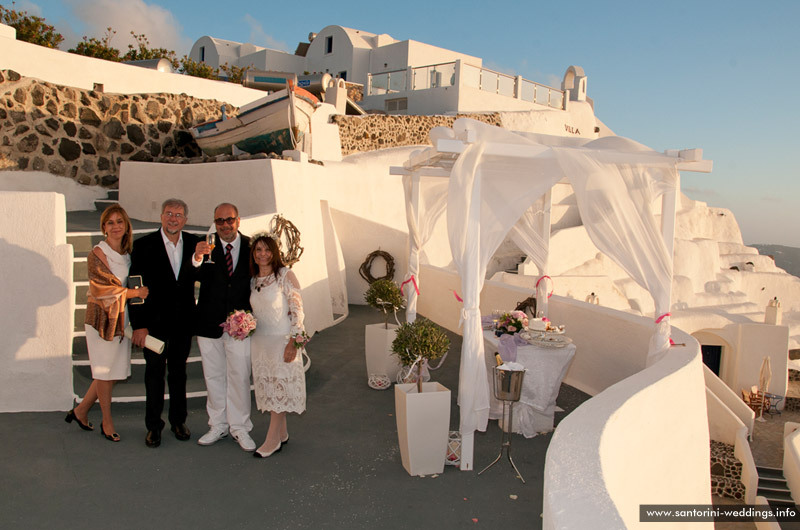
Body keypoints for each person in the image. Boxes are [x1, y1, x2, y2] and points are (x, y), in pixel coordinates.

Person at [66, 204, 149, 442]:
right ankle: (107, 421)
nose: (115, 226)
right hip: (102, 322)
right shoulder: (98, 253)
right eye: (110, 222)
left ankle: (80, 411)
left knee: (109, 373)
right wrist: (135, 294)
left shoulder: (126, 254)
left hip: (122, 321)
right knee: (104, 371)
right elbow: (100, 289)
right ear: (103, 227)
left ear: (126, 226)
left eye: (119, 222)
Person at [129, 198, 199, 448]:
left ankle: (178, 421)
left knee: (179, 373)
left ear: (185, 219)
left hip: (183, 323)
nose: (173, 219)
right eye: (169, 213)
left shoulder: (194, 244)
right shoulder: (143, 246)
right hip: (153, 324)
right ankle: (153, 426)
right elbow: (135, 286)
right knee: (154, 375)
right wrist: (138, 325)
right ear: (161, 216)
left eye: (178, 215)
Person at [192, 203, 255, 451]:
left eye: (229, 220)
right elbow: (192, 274)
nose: (225, 225)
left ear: (238, 221)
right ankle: (217, 424)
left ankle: (240, 427)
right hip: (208, 323)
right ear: (214, 222)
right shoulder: (205, 246)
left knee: (239, 376)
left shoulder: (252, 247)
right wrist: (197, 258)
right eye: (219, 220)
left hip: (240, 326)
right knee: (214, 376)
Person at [248, 234, 307, 458]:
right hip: (260, 343)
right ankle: (281, 432)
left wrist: (294, 342)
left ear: (274, 252)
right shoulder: (253, 280)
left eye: (267, 250)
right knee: (270, 387)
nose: (262, 254)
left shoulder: (285, 275)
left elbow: (298, 311)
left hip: (281, 342)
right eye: (258, 250)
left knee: (279, 388)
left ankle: (272, 440)